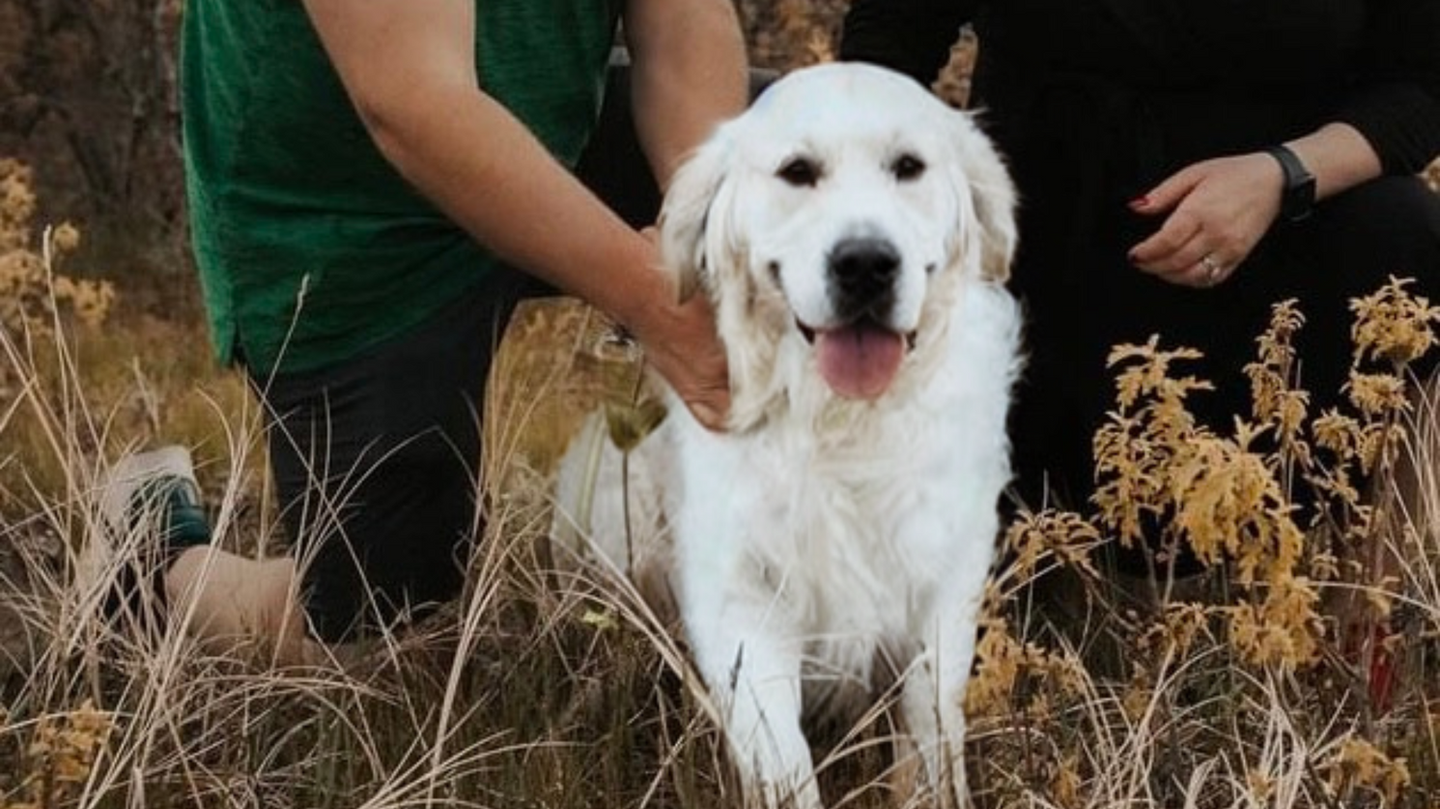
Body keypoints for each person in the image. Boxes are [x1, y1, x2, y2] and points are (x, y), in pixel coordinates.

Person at [101, 0, 748, 662]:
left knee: (822, 177)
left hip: (541, 117)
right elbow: (413, 102)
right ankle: (154, 563)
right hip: (342, 205)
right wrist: (654, 300)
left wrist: (705, 229)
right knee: (387, 647)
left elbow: (682, 22)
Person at [841, 0, 1440, 516]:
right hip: (1037, 253)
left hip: (1275, 268)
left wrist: (1280, 175)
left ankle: (1343, 575)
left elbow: (1421, 84)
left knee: (1403, 229)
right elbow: (892, 36)